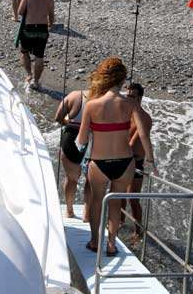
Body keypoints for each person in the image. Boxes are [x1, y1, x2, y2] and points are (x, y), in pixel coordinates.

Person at [77, 58, 157, 257]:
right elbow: (144, 133)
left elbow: (82, 139)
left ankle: (95, 242)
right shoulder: (130, 103)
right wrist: (151, 160)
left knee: (96, 202)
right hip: (125, 163)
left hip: (99, 163)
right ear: (122, 80)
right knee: (115, 203)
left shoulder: (92, 105)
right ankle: (111, 244)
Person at [122, 83, 153, 243]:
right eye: (127, 96)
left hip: (135, 163)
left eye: (132, 96)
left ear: (140, 98)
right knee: (119, 195)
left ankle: (138, 232)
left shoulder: (144, 118)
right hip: (123, 159)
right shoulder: (127, 113)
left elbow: (133, 142)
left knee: (133, 199)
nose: (129, 99)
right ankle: (119, 222)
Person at [55, 89, 91, 220]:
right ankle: (87, 215)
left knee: (71, 179)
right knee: (91, 180)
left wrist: (68, 122)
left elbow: (58, 117)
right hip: (92, 139)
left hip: (71, 139)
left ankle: (69, 211)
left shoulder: (74, 95)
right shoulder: (103, 98)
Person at [17, 0, 54, 90]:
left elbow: (20, 12)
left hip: (29, 28)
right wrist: (50, 25)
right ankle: (36, 82)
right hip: (42, 29)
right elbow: (51, 16)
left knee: (24, 52)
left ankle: (29, 75)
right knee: (39, 56)